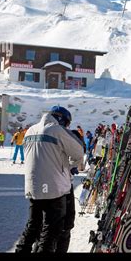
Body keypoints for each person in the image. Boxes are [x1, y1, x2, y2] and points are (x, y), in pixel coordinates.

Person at [15, 106, 84, 253]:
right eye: (67, 124)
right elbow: (79, 152)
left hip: (33, 187)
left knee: (33, 226)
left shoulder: (30, 130)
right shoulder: (57, 130)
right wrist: (68, 165)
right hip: (54, 188)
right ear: (62, 120)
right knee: (51, 230)